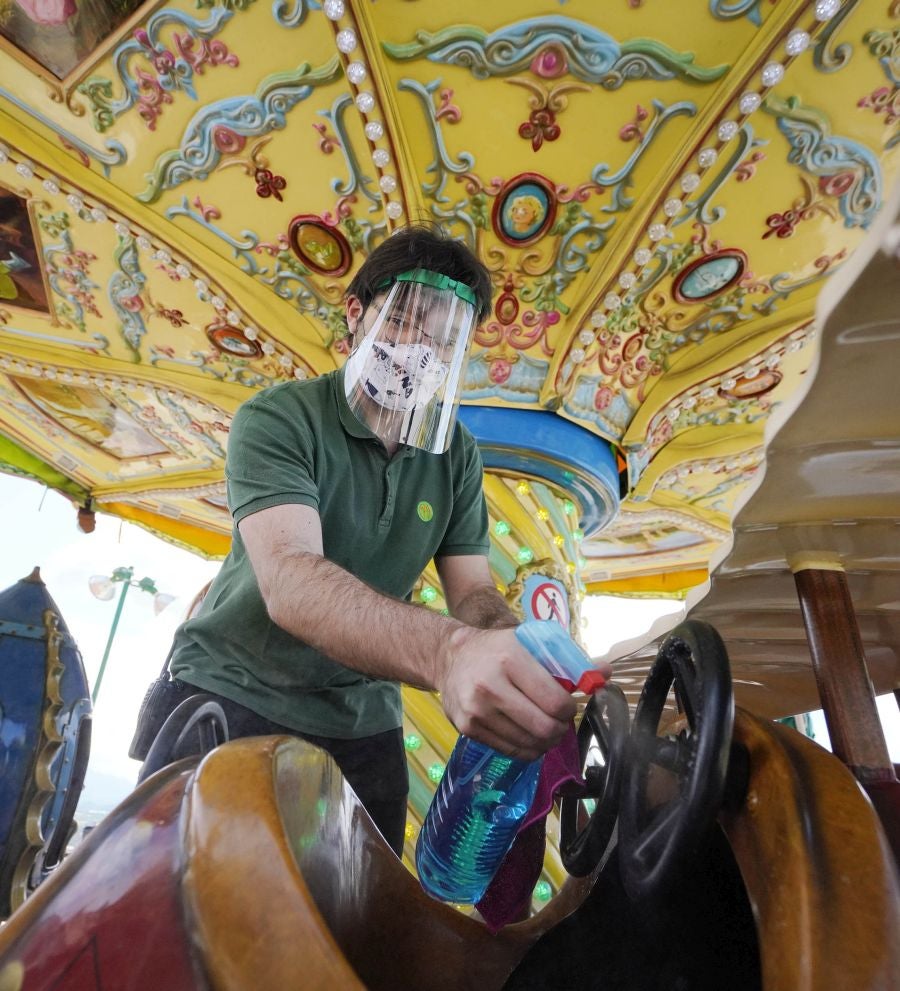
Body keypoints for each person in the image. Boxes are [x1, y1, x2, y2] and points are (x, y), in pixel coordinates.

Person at [142, 224, 601, 856]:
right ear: (357, 314)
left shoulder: (456, 455)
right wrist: (450, 654)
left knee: (368, 927)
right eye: (409, 322)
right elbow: (291, 579)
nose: (423, 350)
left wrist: (511, 646)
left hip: (363, 721)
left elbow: (474, 591)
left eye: (444, 338)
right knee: (175, 905)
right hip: (235, 687)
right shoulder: (280, 418)